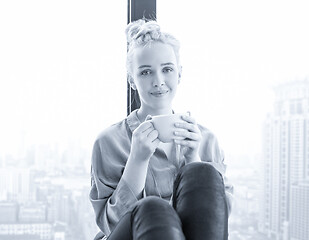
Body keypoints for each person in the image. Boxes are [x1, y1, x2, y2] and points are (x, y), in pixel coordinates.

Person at [89, 19, 234, 240]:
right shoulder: (109, 142)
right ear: (131, 80)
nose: (158, 81)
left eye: (167, 69)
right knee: (151, 209)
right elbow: (111, 224)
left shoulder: (206, 140)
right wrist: (137, 159)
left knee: (202, 171)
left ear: (179, 74)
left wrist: (192, 157)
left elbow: (216, 223)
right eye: (146, 72)